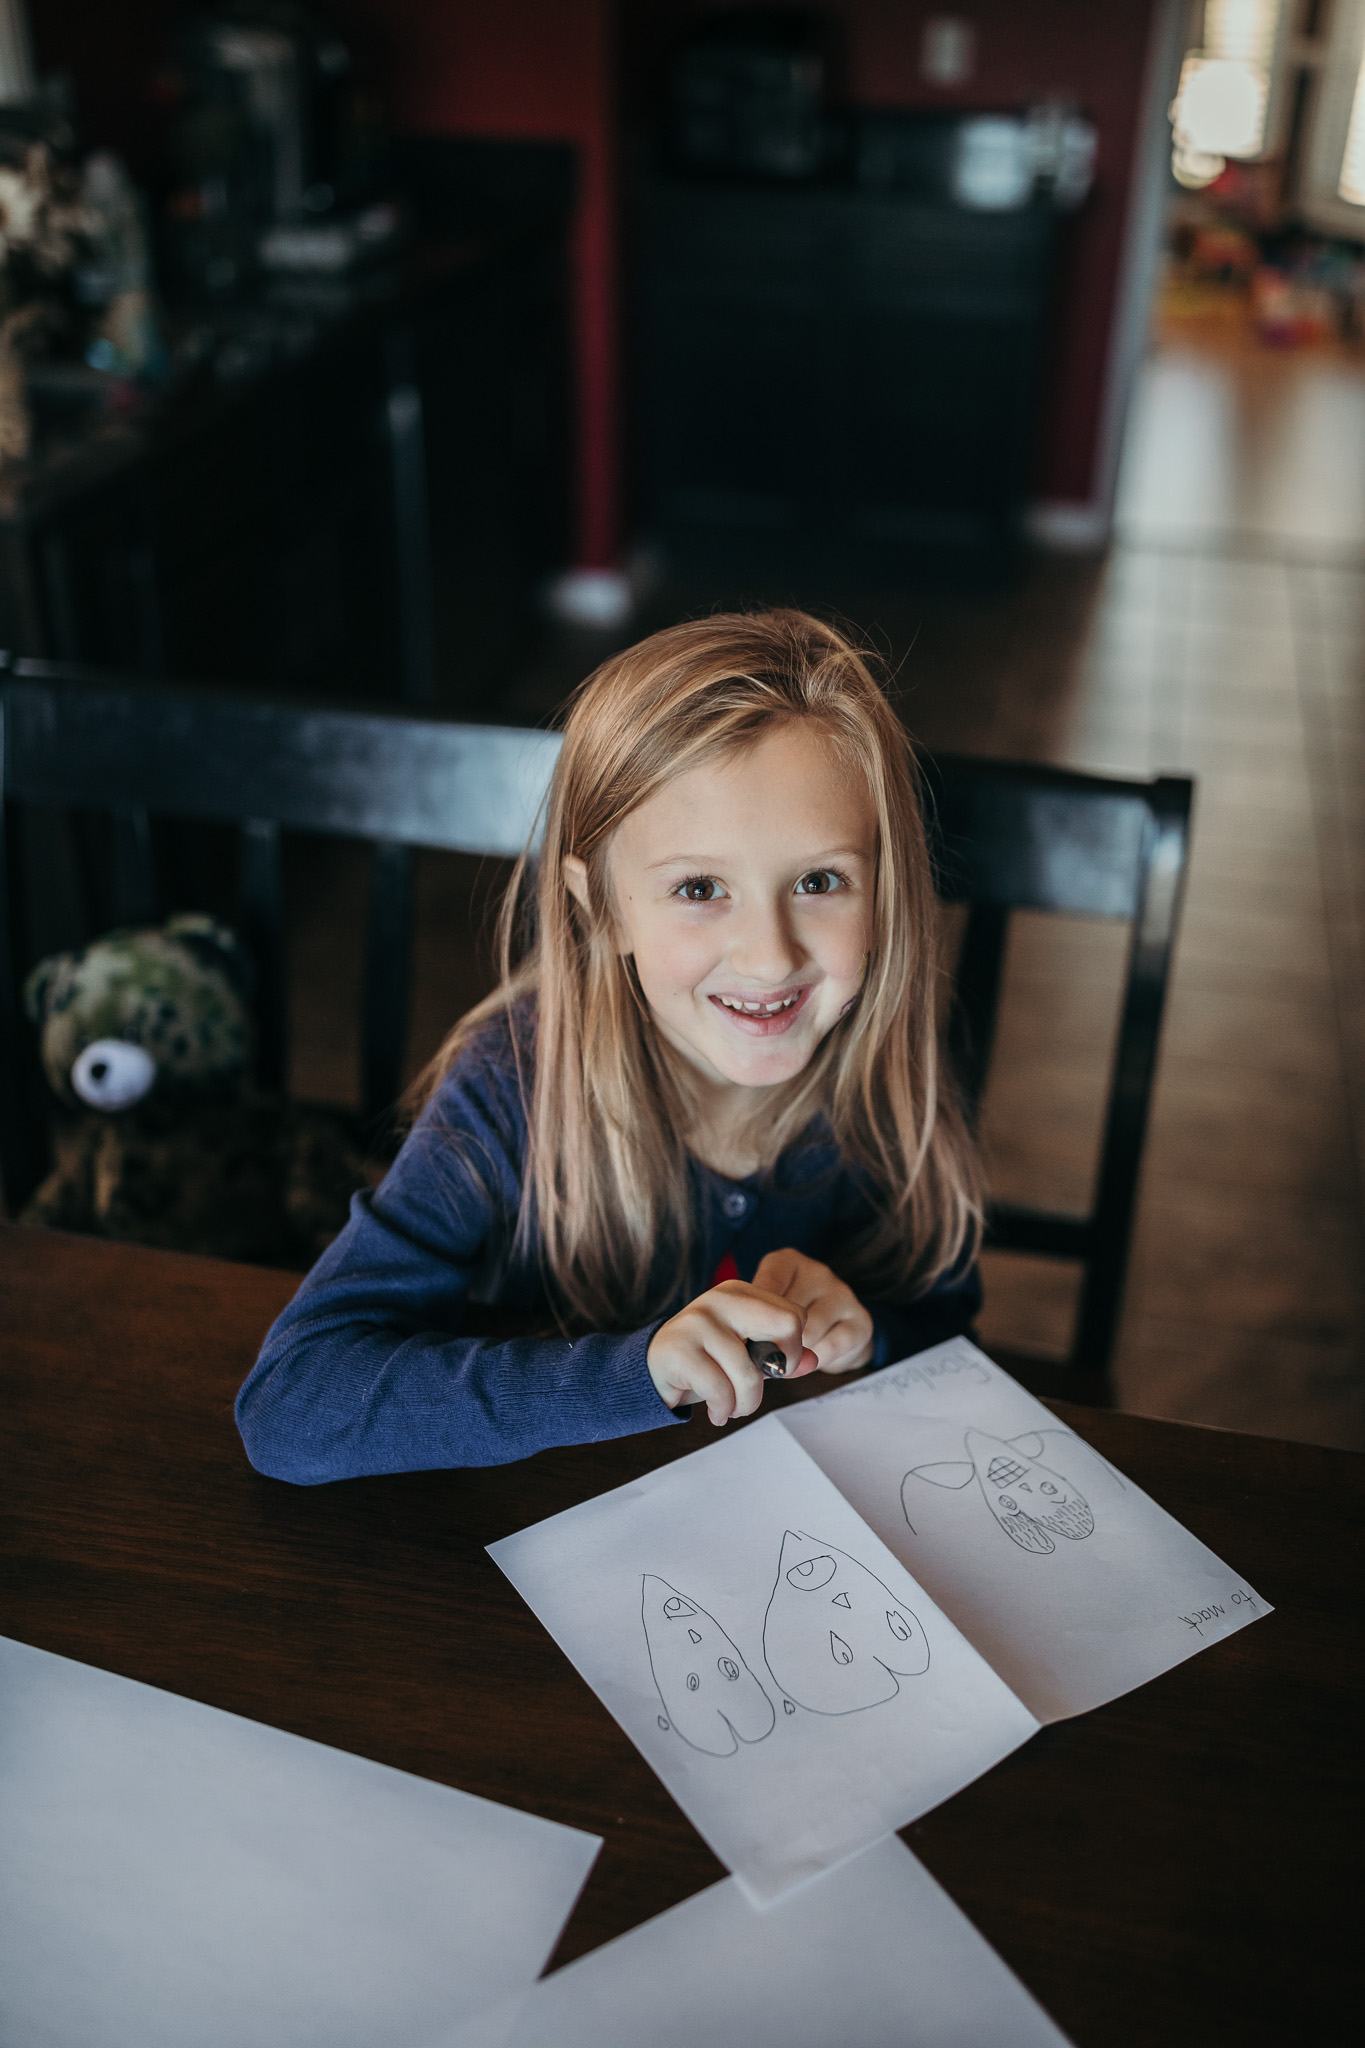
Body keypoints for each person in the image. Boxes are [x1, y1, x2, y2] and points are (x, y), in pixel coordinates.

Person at [236, 610, 982, 1483]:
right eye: (700, 888)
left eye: (820, 881)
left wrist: (870, 1331)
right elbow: (292, 1405)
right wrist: (638, 1373)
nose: (771, 955)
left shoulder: (889, 1069)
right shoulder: (512, 1084)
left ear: (883, 887)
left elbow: (944, 1328)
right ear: (601, 908)